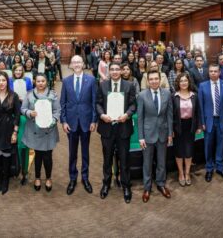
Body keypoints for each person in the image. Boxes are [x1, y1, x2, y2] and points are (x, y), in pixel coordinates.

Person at [96, 62, 136, 204]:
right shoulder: (102, 85)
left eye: (116, 69)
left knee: (124, 159)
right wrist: (102, 115)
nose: (114, 72)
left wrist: (127, 114)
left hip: (123, 127)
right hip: (107, 127)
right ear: (109, 71)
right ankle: (106, 184)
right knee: (107, 159)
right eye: (111, 69)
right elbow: (98, 103)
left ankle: (126, 186)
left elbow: (133, 104)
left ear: (121, 71)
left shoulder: (129, 85)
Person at [60, 55, 97, 195]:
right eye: (74, 62)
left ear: (83, 64)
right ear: (70, 64)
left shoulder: (92, 80)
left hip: (87, 122)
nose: (76, 64)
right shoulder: (66, 81)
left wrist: (94, 120)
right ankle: (73, 178)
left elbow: (94, 102)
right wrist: (63, 121)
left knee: (86, 152)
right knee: (72, 153)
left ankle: (85, 178)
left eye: (79, 62)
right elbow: (62, 103)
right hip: (71, 123)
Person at [138, 69, 173, 203]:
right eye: (151, 79)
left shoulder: (167, 93)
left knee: (161, 162)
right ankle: (147, 188)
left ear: (160, 79)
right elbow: (140, 118)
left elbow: (169, 115)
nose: (153, 81)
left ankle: (161, 184)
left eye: (156, 79)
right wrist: (141, 137)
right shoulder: (142, 95)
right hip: (147, 135)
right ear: (147, 81)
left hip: (163, 133)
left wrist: (170, 133)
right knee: (147, 163)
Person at [21, 73, 60, 192]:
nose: (41, 83)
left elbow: (57, 110)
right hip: (35, 129)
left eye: (43, 81)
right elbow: (22, 109)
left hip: (49, 129)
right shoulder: (29, 95)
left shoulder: (53, 95)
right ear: (34, 82)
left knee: (48, 156)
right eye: (38, 81)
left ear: (46, 81)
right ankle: (37, 178)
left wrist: (52, 121)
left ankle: (48, 178)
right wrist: (29, 113)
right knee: (37, 156)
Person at [0, 71, 21, 194]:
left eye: (3, 80)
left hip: (8, 128)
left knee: (7, 154)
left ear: (7, 81)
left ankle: (6, 179)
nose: (1, 83)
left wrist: (15, 132)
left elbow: (17, 115)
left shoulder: (14, 95)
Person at [198, 64, 223, 182]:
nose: (213, 73)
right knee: (208, 146)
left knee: (221, 145)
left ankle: (219, 167)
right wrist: (202, 122)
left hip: (222, 121)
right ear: (208, 73)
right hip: (208, 121)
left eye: (215, 71)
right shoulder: (202, 86)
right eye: (211, 71)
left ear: (219, 73)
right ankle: (209, 168)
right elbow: (200, 107)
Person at [172, 73, 200, 186]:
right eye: (181, 81)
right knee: (179, 151)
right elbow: (170, 114)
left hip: (190, 126)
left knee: (189, 151)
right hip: (177, 127)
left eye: (185, 81)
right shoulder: (173, 96)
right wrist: (171, 130)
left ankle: (187, 173)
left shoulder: (195, 96)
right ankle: (180, 173)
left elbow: (198, 112)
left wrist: (198, 126)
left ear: (189, 82)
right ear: (178, 83)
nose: (183, 83)